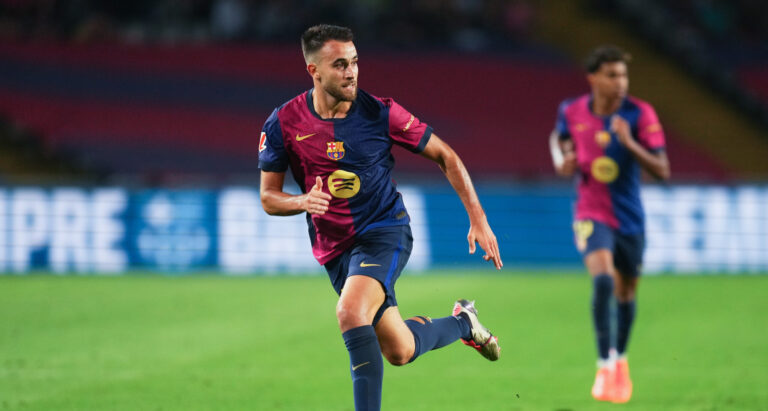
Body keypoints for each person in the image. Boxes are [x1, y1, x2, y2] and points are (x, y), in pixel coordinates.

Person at [259, 24, 503, 411]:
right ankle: (463, 323)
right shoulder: (284, 123)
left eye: (355, 62)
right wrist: (302, 201)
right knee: (400, 350)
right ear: (314, 71)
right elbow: (269, 197)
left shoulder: (381, 113)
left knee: (350, 311)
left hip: (384, 231)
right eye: (340, 65)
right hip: (335, 250)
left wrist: (478, 218)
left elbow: (446, 156)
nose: (352, 72)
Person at [549, 45, 670, 403]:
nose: (621, 82)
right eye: (612, 75)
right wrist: (561, 159)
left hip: (630, 218)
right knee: (602, 279)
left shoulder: (639, 113)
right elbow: (559, 138)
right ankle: (604, 365)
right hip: (590, 211)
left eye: (624, 75)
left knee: (626, 292)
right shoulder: (570, 110)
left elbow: (662, 170)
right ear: (594, 79)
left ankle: (620, 359)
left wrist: (629, 142)